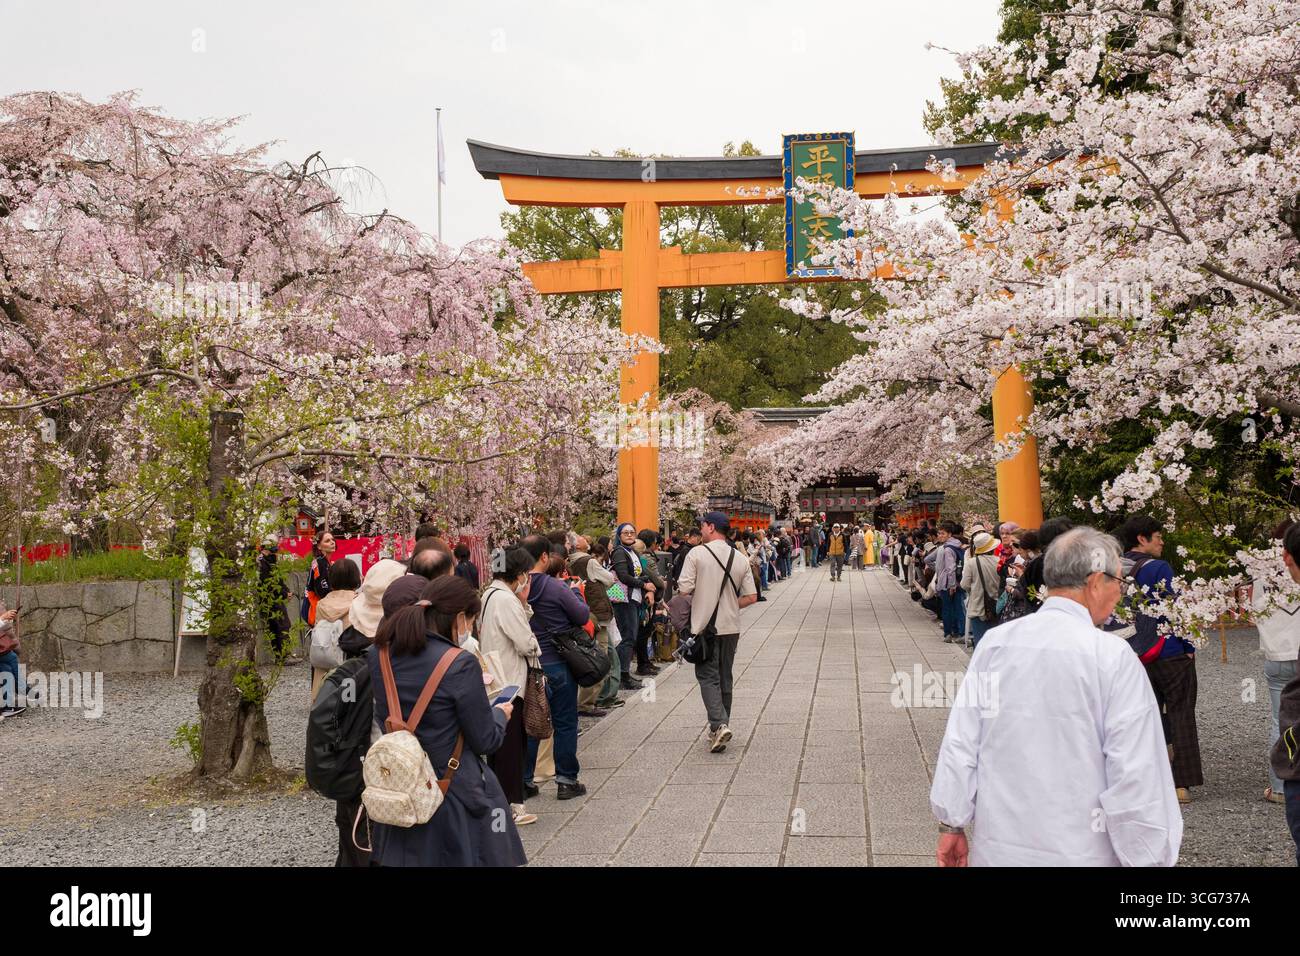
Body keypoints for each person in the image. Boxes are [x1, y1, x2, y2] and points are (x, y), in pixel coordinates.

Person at [931, 527, 1182, 866]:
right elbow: (1136, 770)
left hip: (1002, 846)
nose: (1120, 596)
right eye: (1119, 584)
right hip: (1084, 849)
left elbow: (963, 740)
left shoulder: (996, 643)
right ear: (1095, 581)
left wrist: (953, 822)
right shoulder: (1111, 656)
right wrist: (1148, 854)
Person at [365, 575, 526, 867]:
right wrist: (499, 715)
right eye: (471, 621)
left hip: (403, 790)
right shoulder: (458, 662)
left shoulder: (380, 655)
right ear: (460, 618)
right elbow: (485, 740)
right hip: (452, 790)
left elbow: (385, 717)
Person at [1118, 514, 1203, 804]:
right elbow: (1176, 609)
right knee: (1180, 712)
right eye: (1158, 536)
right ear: (1142, 538)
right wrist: (1189, 644)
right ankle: (1181, 784)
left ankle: (1148, 777)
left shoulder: (1116, 567)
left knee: (1145, 716)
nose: (1162, 541)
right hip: (1168, 651)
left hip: (1132, 653)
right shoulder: (1160, 568)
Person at [677, 511, 758, 753]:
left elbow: (684, 588)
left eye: (702, 525)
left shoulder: (697, 553)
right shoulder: (740, 557)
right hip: (731, 626)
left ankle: (718, 724)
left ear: (711, 527)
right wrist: (731, 604)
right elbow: (752, 596)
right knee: (725, 676)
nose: (700, 529)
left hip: (704, 626)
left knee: (706, 675)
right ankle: (719, 728)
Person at [520, 534, 589, 800]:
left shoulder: (515, 587)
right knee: (565, 722)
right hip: (558, 663)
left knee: (531, 722)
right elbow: (582, 616)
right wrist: (574, 592)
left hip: (530, 665)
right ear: (545, 557)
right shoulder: (555, 586)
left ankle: (525, 779)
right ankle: (566, 780)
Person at [478, 547, 543, 827]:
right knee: (511, 748)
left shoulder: (490, 594)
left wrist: (524, 603)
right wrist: (535, 645)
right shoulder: (505, 599)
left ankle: (499, 801)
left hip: (497, 679)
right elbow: (525, 642)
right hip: (510, 681)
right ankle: (513, 805)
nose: (527, 579)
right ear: (517, 575)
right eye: (526, 574)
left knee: (500, 746)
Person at [1253, 519, 1300, 805]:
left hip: (1275, 653)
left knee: (1279, 719)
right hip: (1296, 649)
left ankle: (1279, 785)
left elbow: (1256, 608)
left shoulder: (1261, 572)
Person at [568, 537, 623, 714]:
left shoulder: (570, 562)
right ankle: (590, 702)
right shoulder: (589, 561)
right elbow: (609, 579)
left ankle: (594, 699)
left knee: (590, 657)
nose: (587, 541)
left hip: (583, 614)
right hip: (597, 616)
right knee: (599, 658)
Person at [311, 558, 362, 702]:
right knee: (349, 709)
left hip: (325, 664)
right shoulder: (359, 602)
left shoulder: (321, 605)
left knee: (325, 709)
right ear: (356, 579)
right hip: (350, 667)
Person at [609, 522, 651, 690]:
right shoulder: (619, 552)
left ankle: (624, 673)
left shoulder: (632, 551)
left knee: (630, 636)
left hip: (633, 597)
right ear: (619, 535)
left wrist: (645, 582)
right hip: (624, 599)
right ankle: (622, 676)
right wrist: (644, 584)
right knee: (628, 637)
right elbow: (624, 576)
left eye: (632, 532)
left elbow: (641, 573)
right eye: (625, 532)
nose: (629, 535)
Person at [960, 530, 1001, 649]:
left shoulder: (972, 563)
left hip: (978, 607)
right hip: (996, 607)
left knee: (980, 644)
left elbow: (964, 584)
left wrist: (974, 589)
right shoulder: (999, 561)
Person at [257, 535, 291, 659]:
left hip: (276, 598)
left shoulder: (271, 560)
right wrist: (283, 593)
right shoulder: (261, 562)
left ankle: (283, 655)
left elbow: (278, 579)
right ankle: (283, 656)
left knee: (282, 625)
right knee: (280, 626)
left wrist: (286, 590)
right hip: (269, 599)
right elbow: (268, 583)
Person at [934, 521, 967, 642]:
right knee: (959, 608)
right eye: (939, 533)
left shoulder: (948, 549)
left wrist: (951, 585)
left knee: (947, 609)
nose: (940, 536)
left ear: (949, 534)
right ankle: (961, 632)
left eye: (942, 533)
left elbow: (950, 568)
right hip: (960, 581)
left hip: (949, 583)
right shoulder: (959, 545)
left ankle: (948, 634)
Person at [301, 530, 336, 629]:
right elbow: (323, 590)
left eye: (332, 539)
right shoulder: (319, 563)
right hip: (318, 611)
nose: (332, 542)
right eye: (327, 541)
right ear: (319, 546)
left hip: (323, 611)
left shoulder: (327, 563)